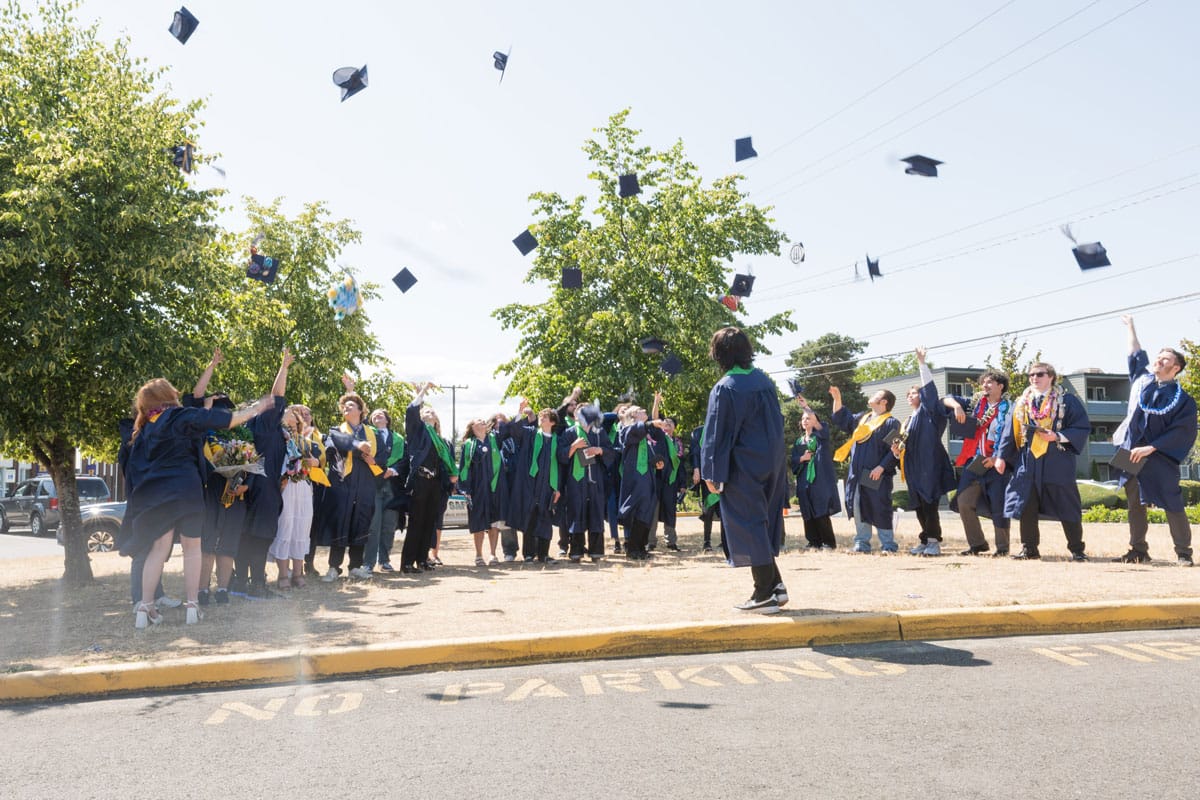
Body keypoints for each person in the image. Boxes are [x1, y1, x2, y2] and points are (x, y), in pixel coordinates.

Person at [122, 378, 268, 628]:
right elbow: (228, 421)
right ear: (168, 395)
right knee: (192, 549)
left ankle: (145, 608)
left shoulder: (145, 428)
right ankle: (193, 606)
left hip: (157, 494)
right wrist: (257, 408)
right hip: (187, 489)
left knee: (158, 549)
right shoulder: (179, 416)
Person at [699, 327, 789, 613]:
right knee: (759, 524)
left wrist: (711, 472)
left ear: (720, 353)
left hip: (743, 467)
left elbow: (716, 433)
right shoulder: (764, 381)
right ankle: (776, 585)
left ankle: (763, 593)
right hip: (771, 462)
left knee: (749, 525)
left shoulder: (726, 386)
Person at [1111, 315, 1196, 565]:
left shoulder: (1183, 399)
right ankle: (1138, 550)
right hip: (1132, 452)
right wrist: (1131, 327)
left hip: (1159, 454)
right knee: (1134, 503)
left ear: (1176, 367)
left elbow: (1183, 430)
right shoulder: (1143, 384)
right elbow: (1135, 353)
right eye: (1158, 356)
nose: (1159, 360)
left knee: (1171, 501)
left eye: (1165, 358)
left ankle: (1183, 553)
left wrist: (1153, 447)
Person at [995, 361, 1090, 561]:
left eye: (1039, 374)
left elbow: (1081, 427)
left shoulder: (1066, 401)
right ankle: (1029, 548)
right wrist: (1002, 456)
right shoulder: (1021, 402)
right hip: (1028, 459)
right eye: (1031, 375)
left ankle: (1077, 549)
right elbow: (1008, 432)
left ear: (1051, 377)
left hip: (1057, 459)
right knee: (1026, 503)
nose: (1034, 378)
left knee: (1067, 504)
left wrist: (1057, 436)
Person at [235, 348, 293, 597]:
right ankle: (258, 584)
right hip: (263, 490)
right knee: (260, 536)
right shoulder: (265, 423)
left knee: (247, 536)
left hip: (249, 487)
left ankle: (241, 583)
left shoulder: (249, 426)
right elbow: (277, 394)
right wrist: (284, 367)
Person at [892, 347, 956, 557]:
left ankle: (933, 541)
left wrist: (921, 364)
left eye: (914, 392)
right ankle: (924, 538)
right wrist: (896, 450)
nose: (911, 396)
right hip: (912, 467)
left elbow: (931, 390)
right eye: (909, 394)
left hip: (930, 465)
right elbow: (903, 445)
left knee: (930, 505)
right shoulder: (908, 420)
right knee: (918, 505)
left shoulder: (930, 411)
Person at [943, 369, 1012, 556]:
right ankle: (978, 544)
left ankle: (1003, 548)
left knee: (999, 505)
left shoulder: (1009, 408)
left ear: (1000, 386)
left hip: (996, 463)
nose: (985, 386)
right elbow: (946, 398)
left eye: (989, 383)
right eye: (983, 383)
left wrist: (998, 457)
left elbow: (1009, 437)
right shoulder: (975, 404)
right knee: (963, 501)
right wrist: (956, 406)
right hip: (974, 462)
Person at [320, 380, 380, 581]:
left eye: (351, 406)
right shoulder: (337, 430)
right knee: (341, 520)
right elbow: (341, 441)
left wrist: (374, 459)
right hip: (343, 482)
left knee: (360, 520)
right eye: (344, 407)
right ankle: (333, 567)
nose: (346, 408)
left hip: (365, 481)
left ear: (361, 411)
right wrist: (358, 444)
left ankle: (355, 566)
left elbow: (382, 455)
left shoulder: (372, 432)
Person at [830, 385, 901, 554]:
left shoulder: (891, 422)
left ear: (884, 401)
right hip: (856, 472)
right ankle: (862, 543)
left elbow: (894, 448)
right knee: (858, 506)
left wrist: (881, 467)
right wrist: (837, 399)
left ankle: (888, 545)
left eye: (876, 394)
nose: (872, 396)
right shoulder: (863, 418)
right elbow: (842, 419)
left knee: (879, 506)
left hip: (874, 473)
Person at [399, 382, 458, 572]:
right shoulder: (418, 432)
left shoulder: (442, 441)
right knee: (416, 522)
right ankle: (407, 563)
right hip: (420, 480)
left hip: (436, 484)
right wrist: (422, 393)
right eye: (425, 412)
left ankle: (422, 559)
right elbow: (411, 411)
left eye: (432, 412)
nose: (429, 413)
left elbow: (447, 463)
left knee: (429, 521)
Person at [270, 405, 324, 589]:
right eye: (289, 417)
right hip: (285, 487)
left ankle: (298, 572)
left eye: (295, 420)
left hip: (303, 487)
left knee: (301, 527)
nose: (293, 418)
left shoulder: (305, 441)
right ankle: (283, 574)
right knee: (285, 526)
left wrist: (315, 462)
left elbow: (319, 461)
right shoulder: (276, 439)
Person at [504, 401, 563, 563]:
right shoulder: (530, 434)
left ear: (552, 422)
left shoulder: (557, 440)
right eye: (540, 417)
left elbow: (559, 465)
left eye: (544, 418)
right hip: (530, 484)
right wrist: (520, 411)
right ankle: (529, 554)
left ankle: (544, 554)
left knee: (545, 520)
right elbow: (514, 430)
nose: (540, 419)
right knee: (529, 518)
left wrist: (557, 488)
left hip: (548, 485)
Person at [557, 403, 616, 562]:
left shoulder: (599, 432)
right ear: (575, 416)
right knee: (577, 513)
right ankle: (576, 552)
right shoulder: (569, 433)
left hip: (595, 480)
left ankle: (596, 552)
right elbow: (561, 456)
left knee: (596, 515)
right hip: (576, 481)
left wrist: (599, 450)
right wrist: (573, 446)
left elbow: (611, 452)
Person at [789, 396, 840, 550]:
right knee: (807, 510)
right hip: (804, 480)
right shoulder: (799, 442)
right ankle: (813, 541)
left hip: (819, 479)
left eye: (809, 418)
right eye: (803, 418)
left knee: (820, 509)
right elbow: (793, 462)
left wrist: (806, 407)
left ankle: (828, 542)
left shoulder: (820, 437)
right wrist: (801, 458)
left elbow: (818, 424)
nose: (806, 420)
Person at [617, 405, 667, 561]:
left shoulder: (645, 435)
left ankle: (640, 547)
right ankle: (632, 548)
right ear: (634, 415)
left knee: (646, 511)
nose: (645, 411)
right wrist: (650, 424)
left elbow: (647, 454)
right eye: (641, 410)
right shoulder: (627, 429)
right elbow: (632, 434)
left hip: (647, 477)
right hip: (635, 478)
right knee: (636, 511)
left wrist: (656, 463)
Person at [360, 408, 403, 574]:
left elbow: (403, 459)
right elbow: (358, 420)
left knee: (388, 526)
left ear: (387, 419)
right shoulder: (368, 433)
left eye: (381, 414)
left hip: (391, 486)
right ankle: (368, 563)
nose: (377, 415)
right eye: (374, 414)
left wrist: (392, 470)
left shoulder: (398, 438)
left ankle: (384, 561)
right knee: (373, 525)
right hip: (373, 484)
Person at [459, 417, 508, 565]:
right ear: (472, 426)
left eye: (483, 420)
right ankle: (479, 555)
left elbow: (509, 430)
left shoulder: (494, 439)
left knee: (494, 522)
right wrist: (465, 489)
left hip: (494, 487)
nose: (482, 421)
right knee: (478, 522)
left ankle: (493, 554)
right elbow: (464, 468)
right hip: (477, 489)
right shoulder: (468, 445)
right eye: (478, 420)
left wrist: (518, 413)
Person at [689, 422, 724, 555]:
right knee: (708, 509)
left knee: (723, 511)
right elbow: (695, 453)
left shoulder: (723, 430)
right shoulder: (698, 432)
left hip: (722, 475)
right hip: (706, 476)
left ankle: (725, 541)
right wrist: (696, 469)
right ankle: (706, 542)